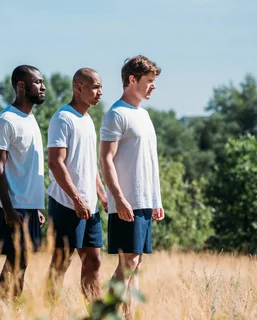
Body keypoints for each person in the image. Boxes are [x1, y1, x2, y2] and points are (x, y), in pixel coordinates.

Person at [99, 55, 164, 319]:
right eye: (149, 81)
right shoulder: (116, 114)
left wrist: (156, 200)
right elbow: (105, 159)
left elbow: (149, 161)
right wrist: (119, 198)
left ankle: (128, 316)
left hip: (145, 202)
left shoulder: (144, 115)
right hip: (127, 203)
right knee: (128, 263)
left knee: (136, 265)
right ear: (132, 80)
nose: (153, 86)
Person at [45, 68, 108, 302]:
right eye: (95, 87)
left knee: (94, 260)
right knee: (61, 263)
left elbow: (89, 165)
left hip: (89, 206)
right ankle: (49, 314)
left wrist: (101, 194)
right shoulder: (63, 118)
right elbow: (55, 162)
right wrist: (77, 199)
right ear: (78, 87)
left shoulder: (88, 119)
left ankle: (97, 314)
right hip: (66, 204)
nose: (100, 92)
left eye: (101, 87)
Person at [0, 65, 47, 302]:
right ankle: (4, 311)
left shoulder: (30, 118)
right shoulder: (6, 120)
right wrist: (8, 208)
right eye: (38, 82)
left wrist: (36, 206)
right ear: (21, 86)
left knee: (22, 262)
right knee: (15, 261)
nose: (43, 87)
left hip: (29, 205)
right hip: (12, 206)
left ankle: (12, 310)